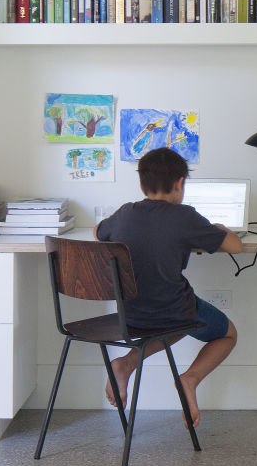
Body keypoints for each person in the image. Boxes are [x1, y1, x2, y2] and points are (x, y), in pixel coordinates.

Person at [94, 146, 242, 428]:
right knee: (227, 334)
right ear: (180, 183)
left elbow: (97, 232)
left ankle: (126, 363)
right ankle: (190, 378)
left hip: (132, 315)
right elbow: (236, 246)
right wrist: (220, 229)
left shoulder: (125, 213)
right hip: (173, 311)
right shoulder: (185, 216)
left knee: (173, 322)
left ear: (141, 183)